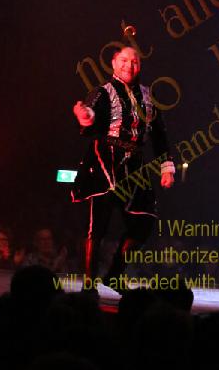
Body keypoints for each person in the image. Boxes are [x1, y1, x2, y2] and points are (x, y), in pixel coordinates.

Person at [71, 46, 175, 288]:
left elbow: (159, 133)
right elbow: (91, 112)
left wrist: (166, 166)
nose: (129, 65)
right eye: (124, 60)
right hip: (105, 159)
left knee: (145, 220)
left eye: (135, 61)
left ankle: (114, 274)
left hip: (135, 163)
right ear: (114, 63)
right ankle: (89, 284)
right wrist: (85, 115)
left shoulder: (148, 95)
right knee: (98, 226)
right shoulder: (102, 92)